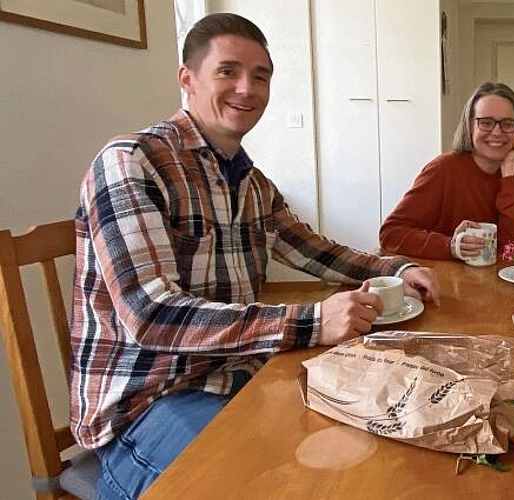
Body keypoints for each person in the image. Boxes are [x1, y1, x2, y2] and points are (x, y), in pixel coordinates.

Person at [70, 13, 439, 500]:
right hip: (145, 405)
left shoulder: (252, 184)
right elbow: (150, 315)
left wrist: (399, 267)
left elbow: (316, 252)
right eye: (228, 71)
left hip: (234, 379)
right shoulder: (131, 161)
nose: (247, 88)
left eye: (260, 76)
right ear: (188, 79)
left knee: (369, 450)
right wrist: (311, 321)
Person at [379, 82, 514, 260]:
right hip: (445, 280)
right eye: (486, 123)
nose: (497, 132)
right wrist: (449, 246)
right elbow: (390, 233)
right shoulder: (442, 169)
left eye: (507, 124)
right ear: (469, 127)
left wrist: (508, 169)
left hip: (496, 281)